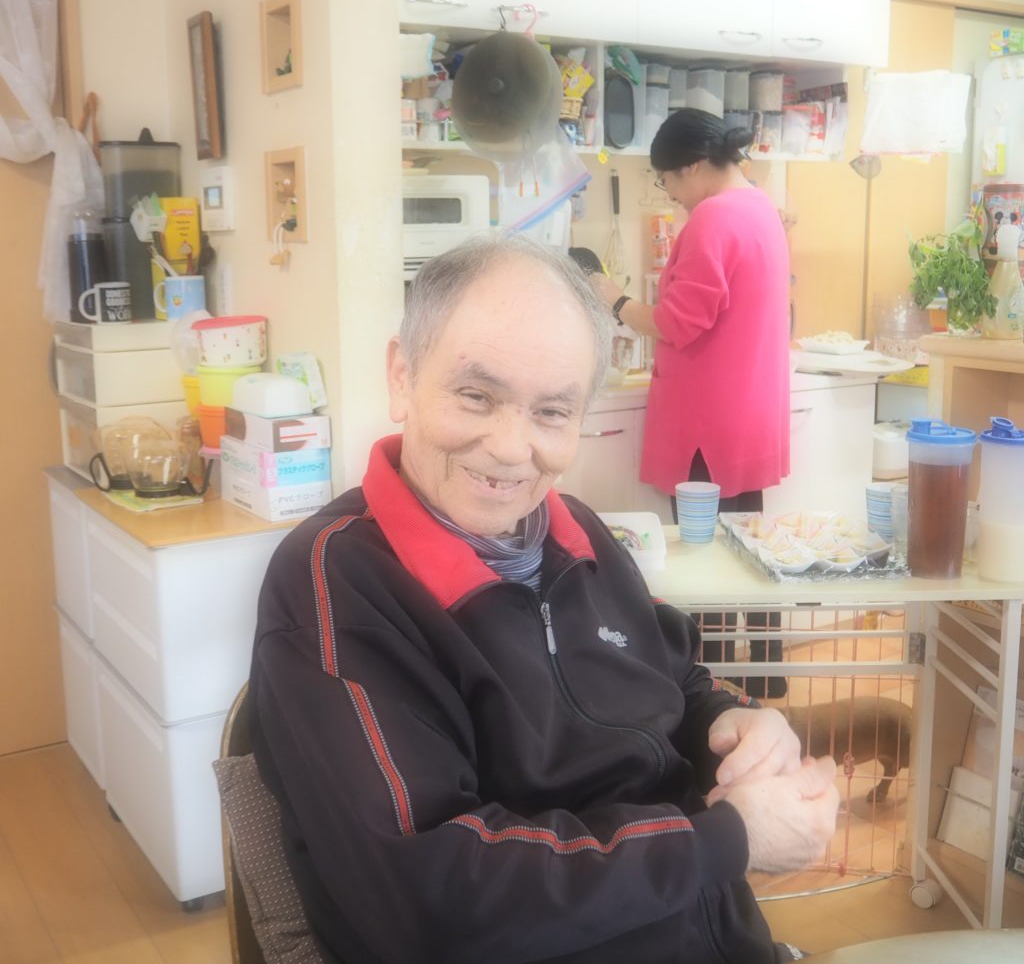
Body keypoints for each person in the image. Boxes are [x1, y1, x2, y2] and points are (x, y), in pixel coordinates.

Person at [249, 235, 839, 964]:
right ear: (402, 376)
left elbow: (675, 680)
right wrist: (726, 839)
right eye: (476, 396)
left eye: (552, 412)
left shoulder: (577, 533)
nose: (510, 447)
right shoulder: (336, 581)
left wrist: (731, 722)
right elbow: (430, 898)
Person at [591, 109, 793, 698]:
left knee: (707, 557)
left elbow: (678, 323)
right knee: (750, 546)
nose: (672, 195)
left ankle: (715, 689)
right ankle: (767, 673)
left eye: (668, 181)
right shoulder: (760, 206)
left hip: (709, 420)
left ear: (695, 166)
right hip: (749, 411)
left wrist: (614, 300)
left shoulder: (713, 218)